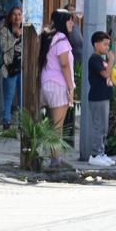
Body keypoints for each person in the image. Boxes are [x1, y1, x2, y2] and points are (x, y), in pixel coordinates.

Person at [38, 8, 75, 145]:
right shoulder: (62, 39)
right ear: (61, 22)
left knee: (52, 125)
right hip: (59, 85)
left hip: (46, 83)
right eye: (69, 20)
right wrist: (71, 87)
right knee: (57, 127)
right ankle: (55, 161)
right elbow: (64, 64)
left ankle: (54, 158)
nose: (71, 23)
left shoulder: (49, 37)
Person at [85, 31, 116, 168]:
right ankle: (95, 154)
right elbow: (105, 74)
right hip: (97, 97)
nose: (107, 47)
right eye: (104, 44)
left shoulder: (102, 60)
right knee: (99, 127)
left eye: (108, 44)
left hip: (104, 96)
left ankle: (101, 153)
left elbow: (109, 75)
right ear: (96, 44)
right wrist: (111, 61)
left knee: (104, 127)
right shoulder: (94, 59)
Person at [0, 5, 22, 128]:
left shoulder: (26, 30)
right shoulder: (4, 30)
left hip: (23, 68)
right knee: (8, 95)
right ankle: (6, 121)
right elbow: (4, 47)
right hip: (10, 68)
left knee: (22, 97)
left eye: (19, 14)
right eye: (14, 14)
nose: (17, 17)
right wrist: (15, 36)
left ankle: (22, 122)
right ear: (10, 16)